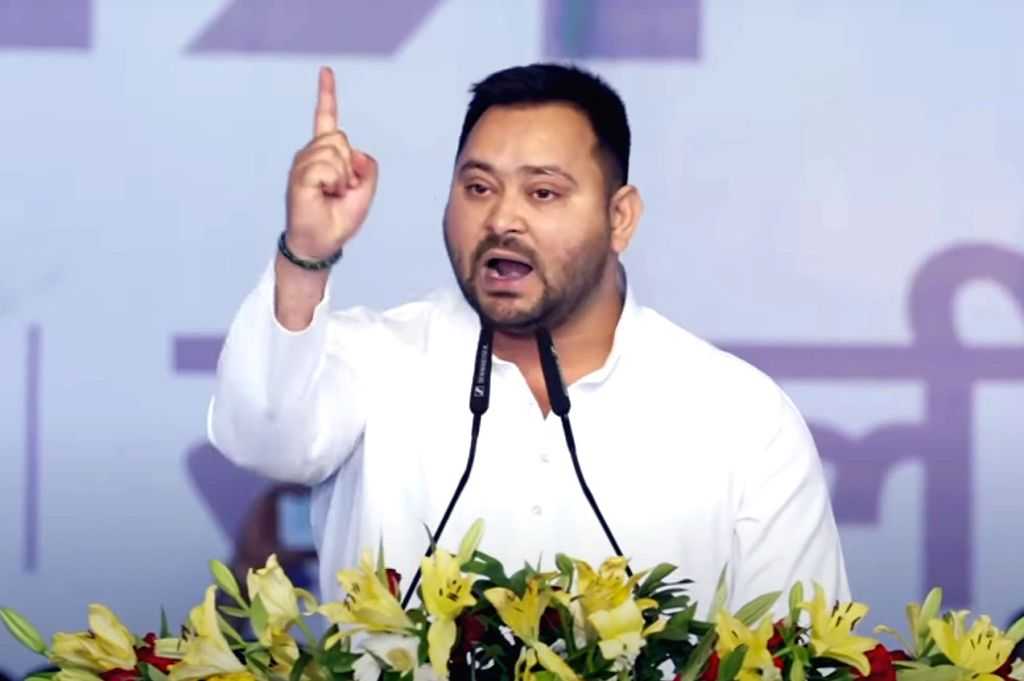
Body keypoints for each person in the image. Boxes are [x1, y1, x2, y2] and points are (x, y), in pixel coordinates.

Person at [208, 63, 850, 612]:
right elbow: (263, 437)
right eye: (478, 188)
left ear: (620, 217)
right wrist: (306, 254)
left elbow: (801, 653)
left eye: (543, 192)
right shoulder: (376, 359)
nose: (502, 219)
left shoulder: (739, 415)